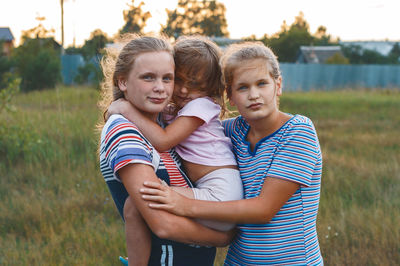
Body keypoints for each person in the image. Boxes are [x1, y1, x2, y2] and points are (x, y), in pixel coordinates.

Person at [139, 41, 324, 265]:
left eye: (262, 84)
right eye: (243, 87)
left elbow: (263, 210)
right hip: (238, 261)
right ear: (230, 95)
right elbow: (192, 133)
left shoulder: (297, 132)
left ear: (278, 85)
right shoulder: (233, 131)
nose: (253, 94)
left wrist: (183, 204)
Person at [107, 35, 243, 264]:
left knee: (137, 205)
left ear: (210, 89)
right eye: (178, 79)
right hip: (214, 195)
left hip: (221, 195)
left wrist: (125, 108)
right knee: (138, 206)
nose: (183, 90)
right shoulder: (178, 108)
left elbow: (163, 140)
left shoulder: (201, 106)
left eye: (197, 85)